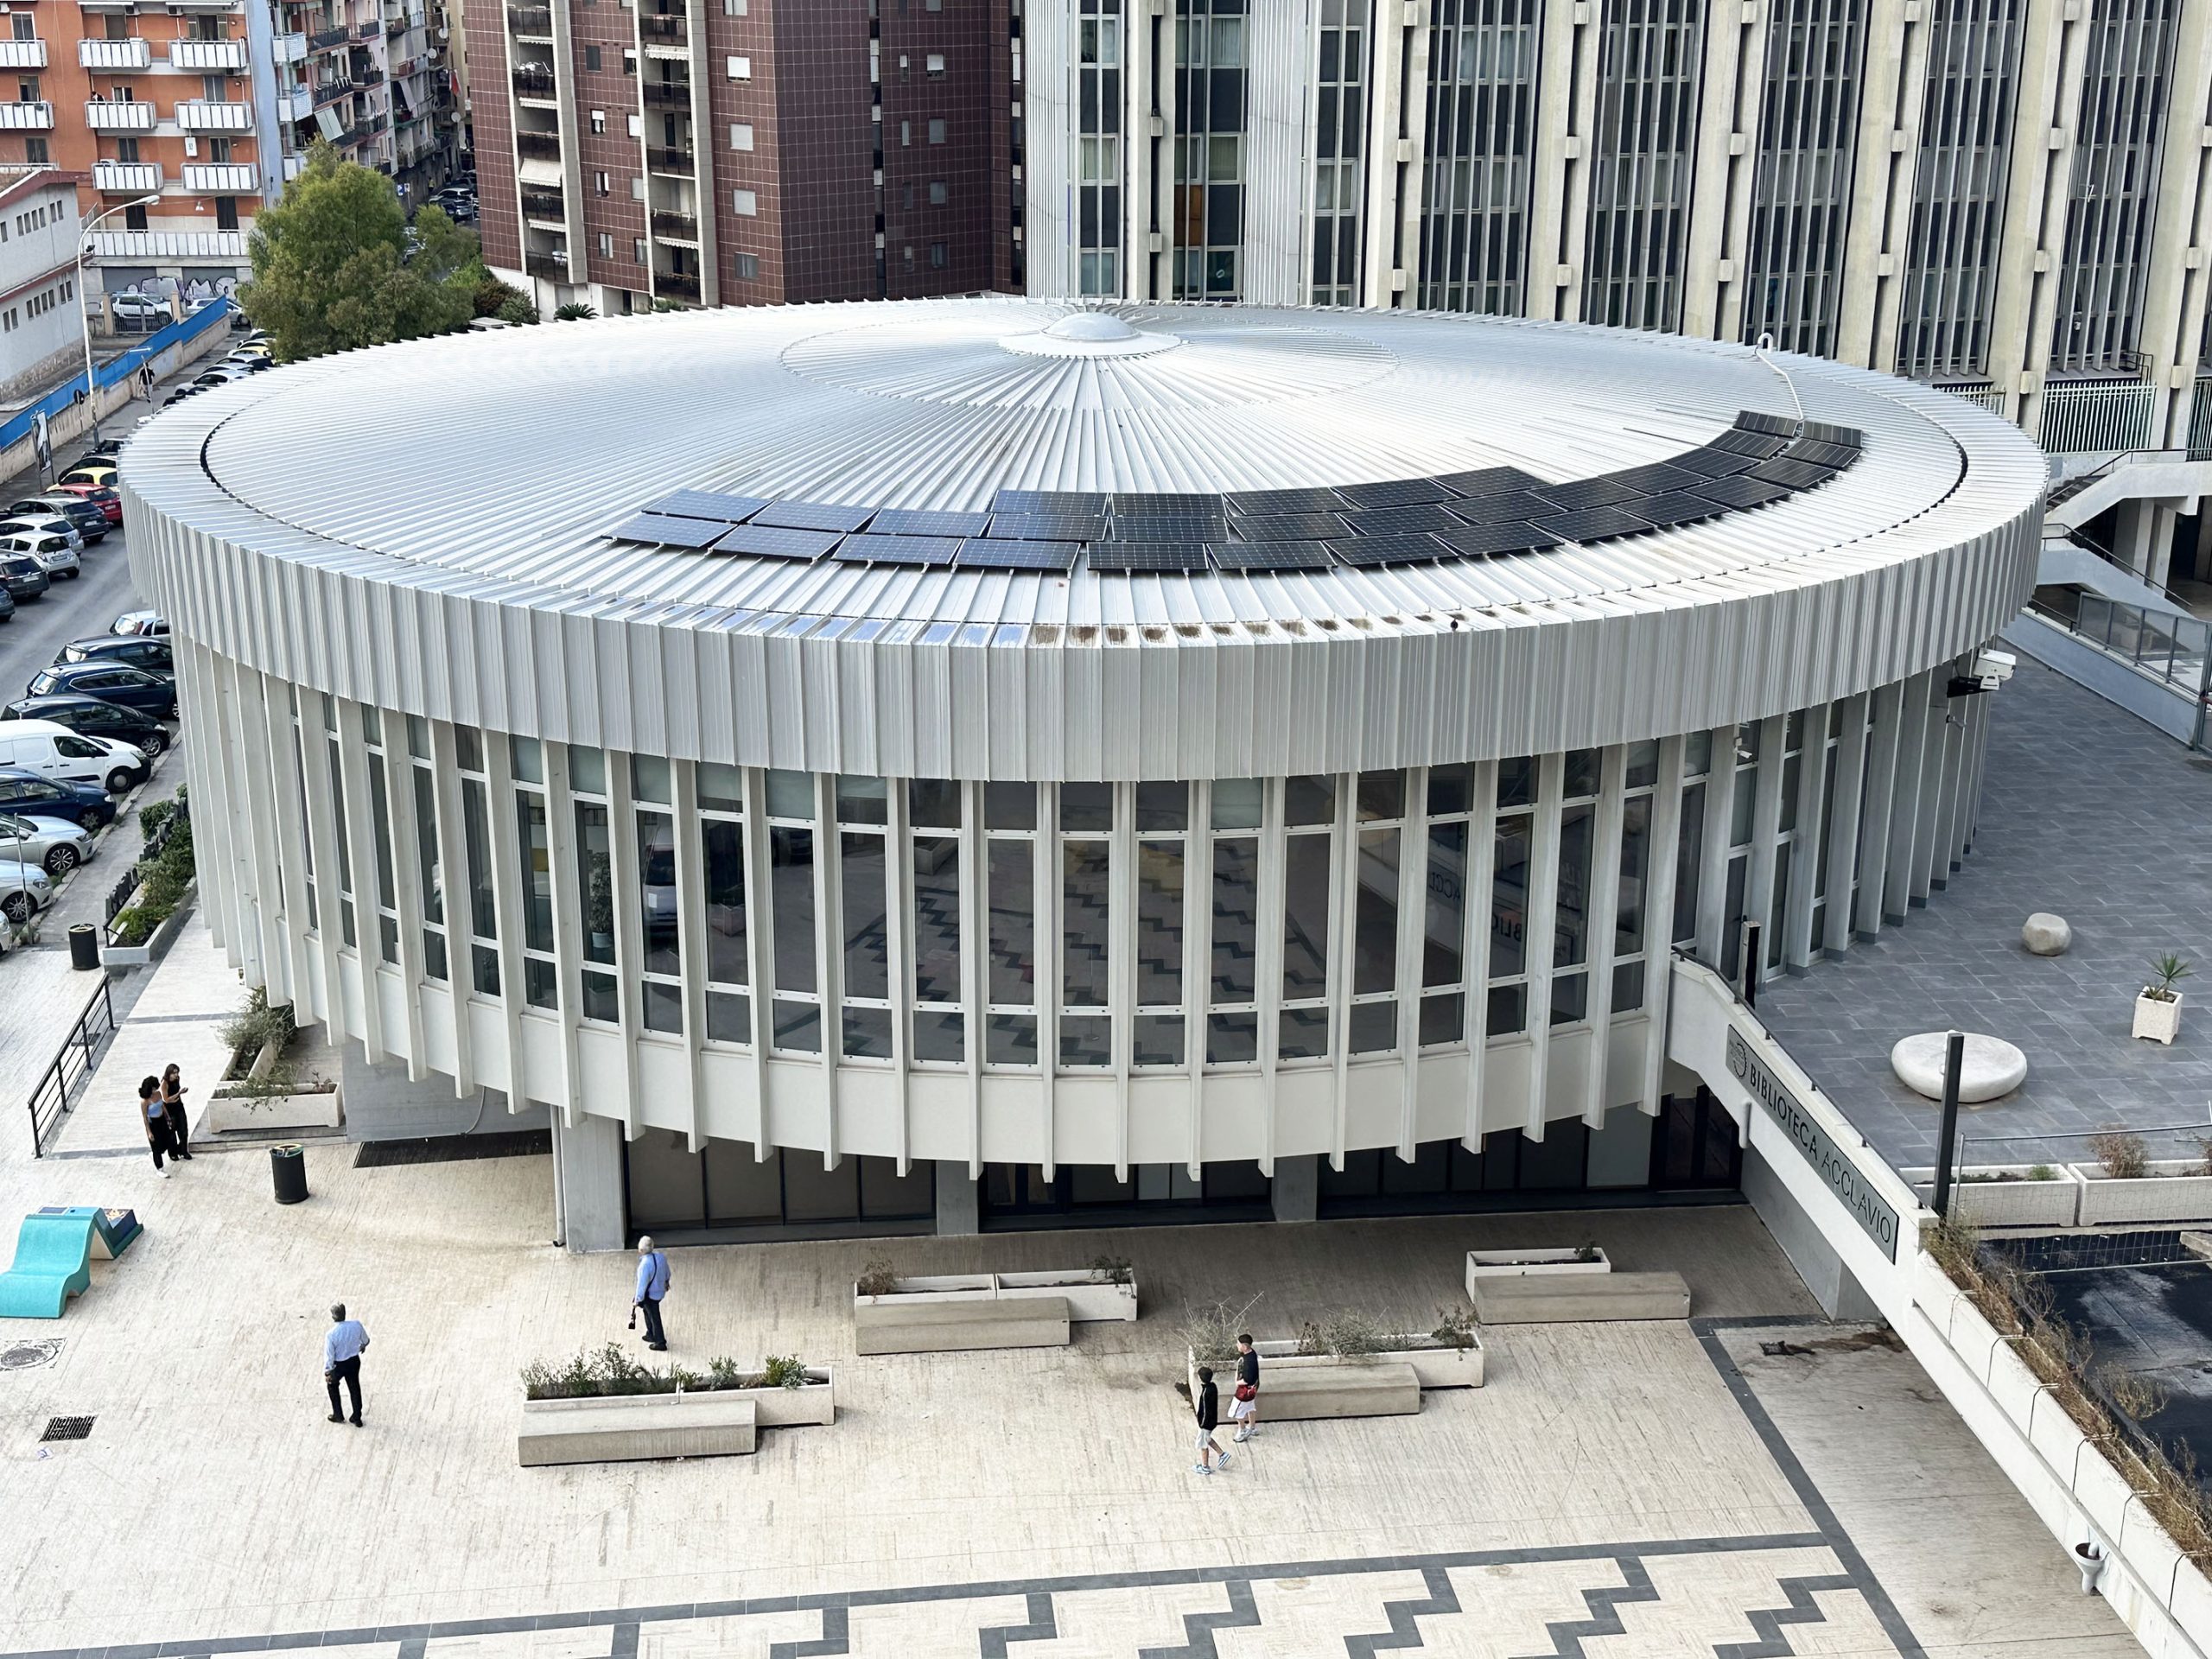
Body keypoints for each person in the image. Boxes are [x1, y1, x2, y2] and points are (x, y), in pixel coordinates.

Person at [324, 1303, 369, 1426]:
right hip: (354, 1361)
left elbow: (329, 1356)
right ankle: (357, 1417)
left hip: (338, 1365)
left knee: (332, 1386)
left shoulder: (331, 1335)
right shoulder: (356, 1325)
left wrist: (328, 1371)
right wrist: (362, 1346)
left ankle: (338, 1415)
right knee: (354, 1387)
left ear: (333, 1317)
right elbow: (366, 1340)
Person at [633, 1236, 671, 1351]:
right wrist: (666, 1281)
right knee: (648, 1311)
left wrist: (637, 1300)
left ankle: (660, 1342)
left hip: (650, 1295)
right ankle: (650, 1333)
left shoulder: (644, 1265)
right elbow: (667, 1272)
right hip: (660, 1291)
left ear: (641, 1250)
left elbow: (642, 1285)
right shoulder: (661, 1257)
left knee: (654, 1316)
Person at [1192, 1364, 1225, 1475]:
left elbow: (1205, 1410)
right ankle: (1222, 1454)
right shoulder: (1213, 1387)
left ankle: (1205, 1466)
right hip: (1212, 1421)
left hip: (1205, 1423)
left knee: (1203, 1444)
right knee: (1207, 1439)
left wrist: (1202, 1424)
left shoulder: (1206, 1392)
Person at [138, 1076, 174, 1177]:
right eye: (153, 1089)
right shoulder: (145, 1101)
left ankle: (157, 1154)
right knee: (156, 1146)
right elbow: (145, 1117)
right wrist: (149, 1132)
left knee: (166, 1141)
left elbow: (162, 1105)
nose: (155, 1091)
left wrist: (167, 1117)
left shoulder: (158, 1094)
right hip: (153, 1123)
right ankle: (159, 1168)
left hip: (161, 1119)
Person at [1231, 1333, 1261, 1442]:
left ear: (1244, 1346)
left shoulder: (1247, 1362)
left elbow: (1247, 1379)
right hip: (1253, 1388)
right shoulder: (1252, 1353)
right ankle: (1252, 1427)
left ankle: (1242, 1430)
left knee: (1235, 1411)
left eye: (1238, 1344)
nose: (1237, 1345)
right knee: (1250, 1406)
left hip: (1245, 1390)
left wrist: (1237, 1382)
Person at [160, 1063, 192, 1160]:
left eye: (177, 1073)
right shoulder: (164, 1083)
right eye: (174, 1073)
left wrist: (179, 1094)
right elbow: (166, 1099)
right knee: (172, 1132)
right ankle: (172, 1153)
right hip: (170, 1109)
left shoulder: (177, 1079)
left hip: (178, 1106)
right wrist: (179, 1093)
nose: (176, 1075)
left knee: (183, 1130)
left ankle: (183, 1150)